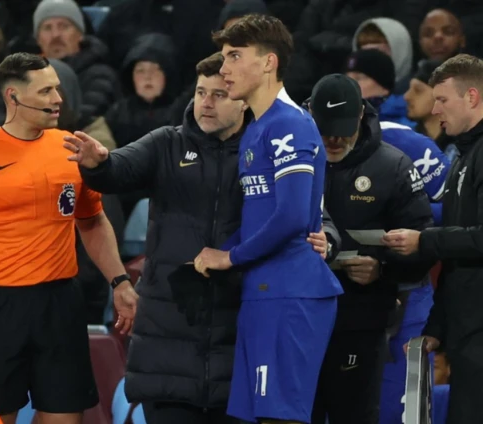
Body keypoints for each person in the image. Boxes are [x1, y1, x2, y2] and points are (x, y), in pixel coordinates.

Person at [63, 51, 335, 424]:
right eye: (200, 92)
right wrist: (99, 164)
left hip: (239, 331)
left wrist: (327, 239)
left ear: (241, 102)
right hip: (169, 341)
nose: (205, 103)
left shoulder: (267, 147)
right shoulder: (165, 145)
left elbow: (311, 211)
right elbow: (119, 170)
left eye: (218, 94)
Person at [0, 52, 138, 424]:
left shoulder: (70, 149)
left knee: (64, 418)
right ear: (12, 96)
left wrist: (119, 280)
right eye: (46, 91)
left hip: (61, 304)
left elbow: (92, 222)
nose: (58, 99)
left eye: (57, 89)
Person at [191, 15, 343, 424]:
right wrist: (218, 254)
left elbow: (292, 216)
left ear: (268, 63)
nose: (224, 69)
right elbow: (263, 217)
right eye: (224, 57)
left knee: (280, 418)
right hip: (263, 292)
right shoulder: (257, 130)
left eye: (235, 56)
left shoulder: (290, 125)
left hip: (291, 293)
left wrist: (231, 257)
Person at [306, 74, 434, 424]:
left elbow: (424, 244)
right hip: (295, 319)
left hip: (359, 319)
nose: (333, 138)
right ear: (309, 115)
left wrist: (382, 268)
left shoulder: (392, 167)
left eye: (342, 129)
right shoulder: (286, 158)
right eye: (325, 128)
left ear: (362, 115)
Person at [383, 54, 483, 424]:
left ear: (471, 96)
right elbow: (456, 262)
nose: (434, 109)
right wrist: (436, 329)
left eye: (442, 99)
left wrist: (424, 241)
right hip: (467, 330)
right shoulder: (461, 158)